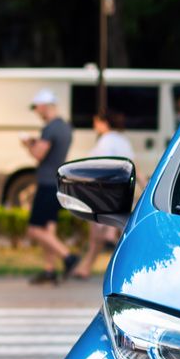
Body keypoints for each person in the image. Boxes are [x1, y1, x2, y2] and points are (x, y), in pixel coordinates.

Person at [21, 89, 78, 285]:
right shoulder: (65, 127)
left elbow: (39, 155)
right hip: (58, 180)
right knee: (48, 229)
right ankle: (49, 270)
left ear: (44, 106)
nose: (37, 112)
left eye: (37, 107)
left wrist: (27, 145)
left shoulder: (50, 128)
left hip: (46, 183)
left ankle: (68, 257)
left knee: (35, 229)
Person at [75, 111, 133, 280]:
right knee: (105, 234)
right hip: (119, 191)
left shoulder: (106, 141)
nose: (94, 126)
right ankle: (84, 268)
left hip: (102, 192)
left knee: (99, 235)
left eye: (96, 122)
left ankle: (124, 266)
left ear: (104, 122)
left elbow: (98, 165)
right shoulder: (123, 140)